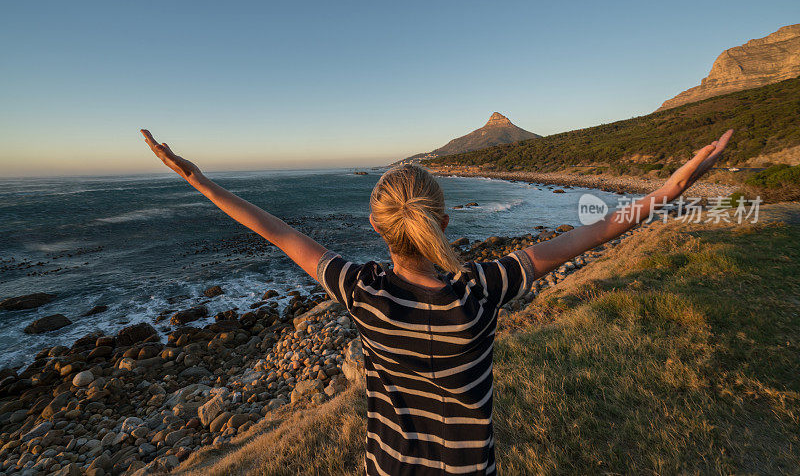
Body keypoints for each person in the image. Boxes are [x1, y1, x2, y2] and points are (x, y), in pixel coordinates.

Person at [141, 128, 733, 475]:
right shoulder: (482, 289)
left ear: (377, 228)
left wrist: (195, 177)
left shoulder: (362, 292)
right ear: (444, 223)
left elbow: (277, 232)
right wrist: (672, 188)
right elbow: (594, 234)